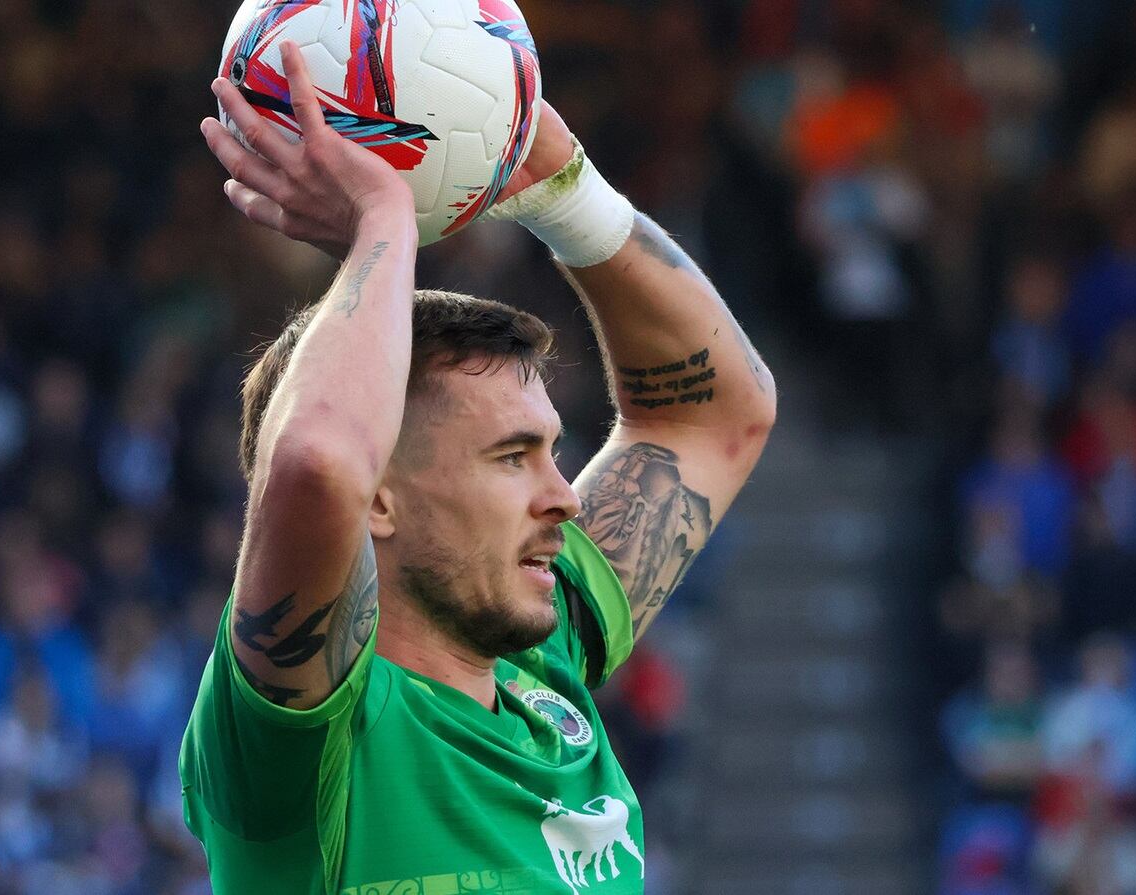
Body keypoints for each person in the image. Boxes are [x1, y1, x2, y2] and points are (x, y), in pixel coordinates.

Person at [177, 41, 775, 893]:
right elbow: (316, 461)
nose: (564, 496)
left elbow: (719, 411)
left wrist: (569, 194)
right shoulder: (302, 741)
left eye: (552, 451)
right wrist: (382, 224)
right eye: (512, 456)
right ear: (378, 497)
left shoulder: (541, 666)